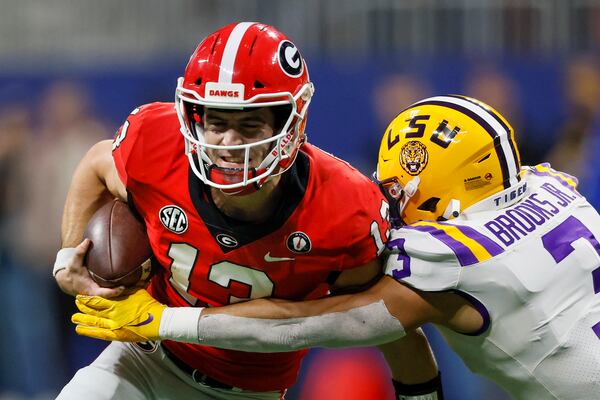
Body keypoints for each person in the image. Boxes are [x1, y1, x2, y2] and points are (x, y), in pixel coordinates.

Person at [74, 95, 600, 399]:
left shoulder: (448, 256)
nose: (391, 207)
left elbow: (317, 323)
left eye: (397, 192)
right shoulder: (553, 189)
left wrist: (163, 320)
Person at [55, 22, 440, 399]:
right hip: (143, 360)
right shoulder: (156, 143)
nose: (229, 143)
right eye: (217, 122)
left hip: (247, 392)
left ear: (291, 123)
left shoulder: (343, 210)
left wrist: (420, 393)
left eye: (250, 124)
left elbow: (386, 325)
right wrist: (67, 257)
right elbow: (96, 162)